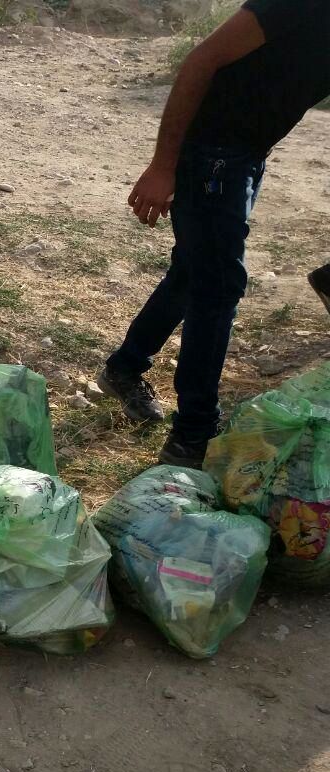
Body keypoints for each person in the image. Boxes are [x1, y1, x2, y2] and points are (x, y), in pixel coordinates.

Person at [99, 0, 330, 469]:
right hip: (211, 156)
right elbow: (201, 60)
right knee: (218, 285)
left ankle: (125, 367)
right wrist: (164, 166)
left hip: (245, 155)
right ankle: (193, 434)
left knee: (193, 272)